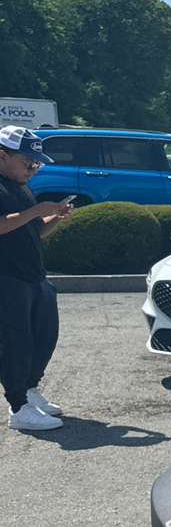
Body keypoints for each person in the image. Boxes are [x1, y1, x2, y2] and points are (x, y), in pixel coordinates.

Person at [0, 126, 73, 432]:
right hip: (8, 276)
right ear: (2, 156)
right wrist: (36, 211)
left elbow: (32, 230)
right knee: (16, 342)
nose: (33, 170)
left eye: (37, 165)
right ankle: (18, 408)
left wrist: (52, 218)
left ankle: (30, 391)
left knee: (44, 336)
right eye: (28, 163)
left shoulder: (21, 187)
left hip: (34, 275)